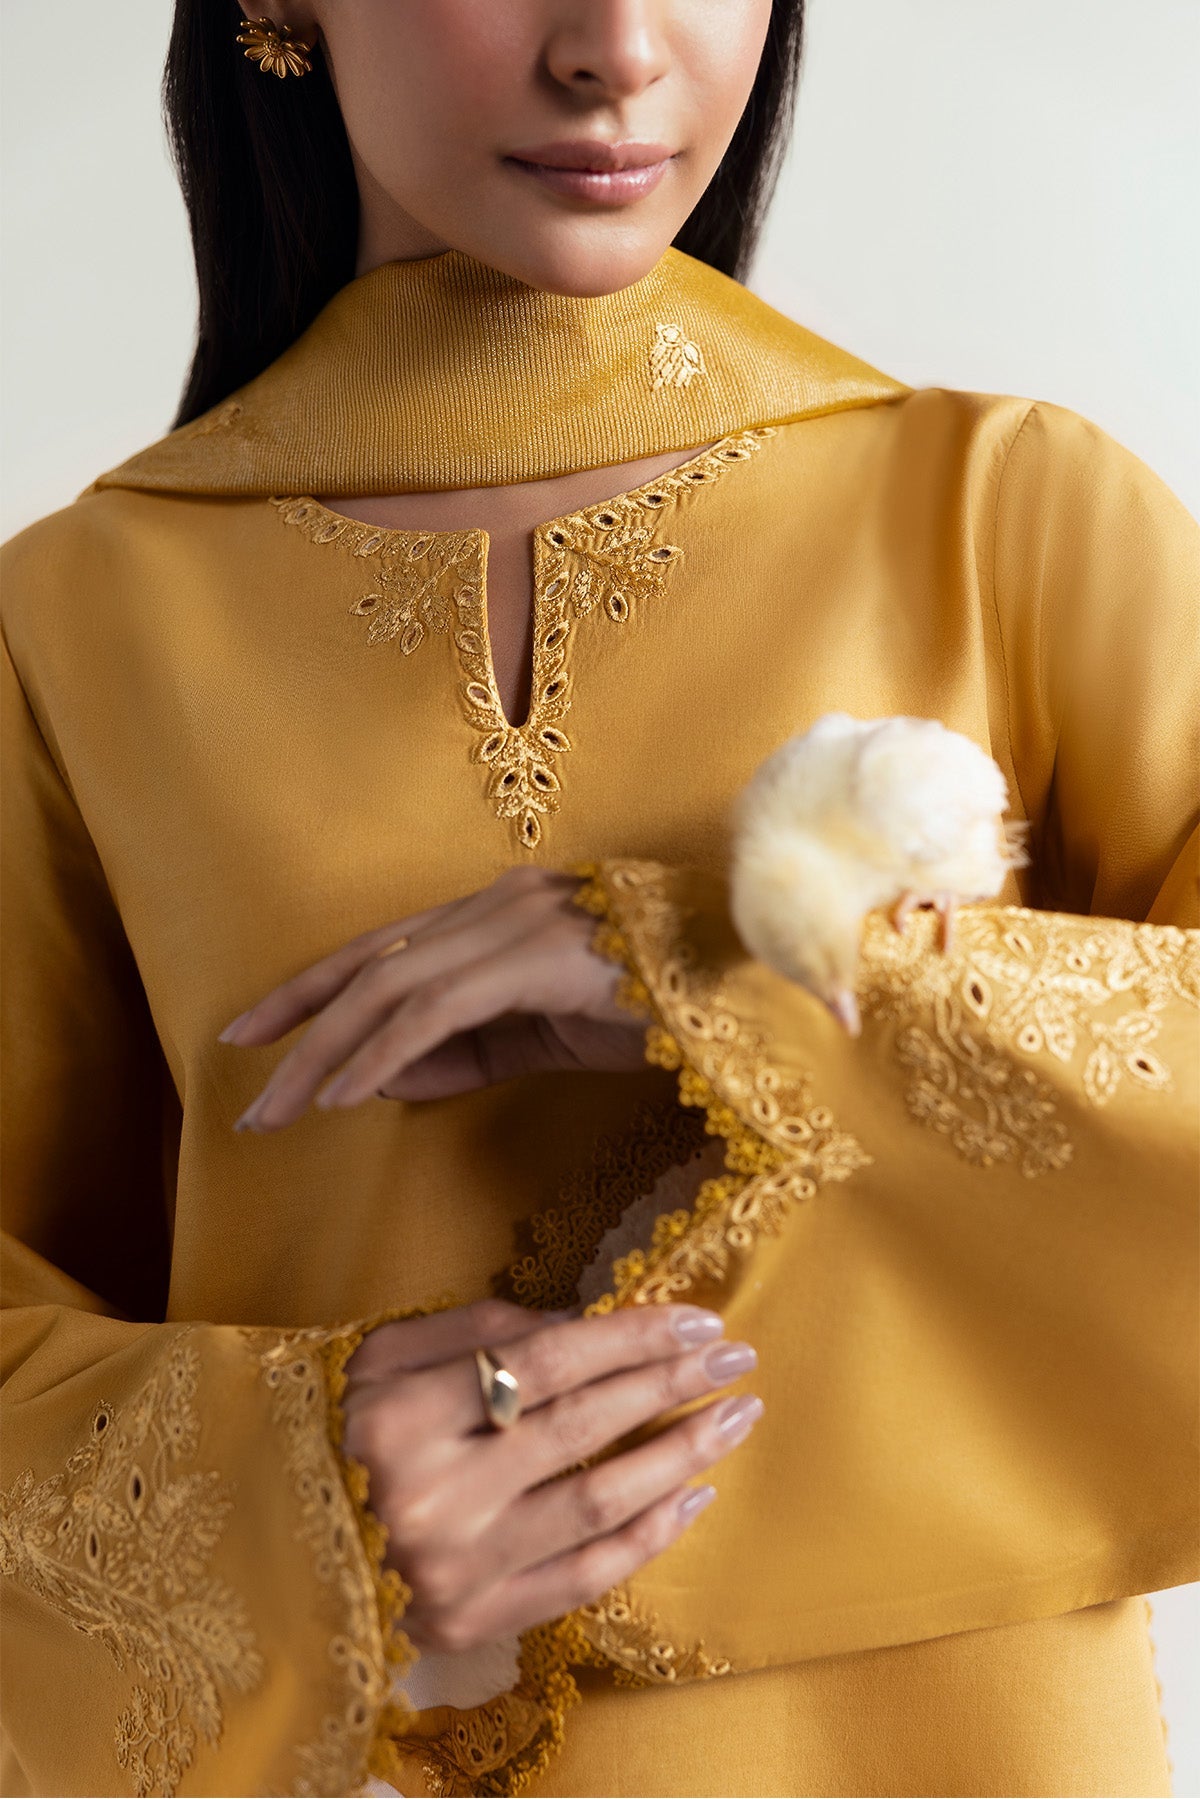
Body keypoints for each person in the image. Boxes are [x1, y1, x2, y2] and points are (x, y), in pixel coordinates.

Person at [1, 3, 1196, 1795]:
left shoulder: (1004, 517)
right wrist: (285, 1497)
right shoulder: (73, 625)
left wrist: (745, 967)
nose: (620, 49)